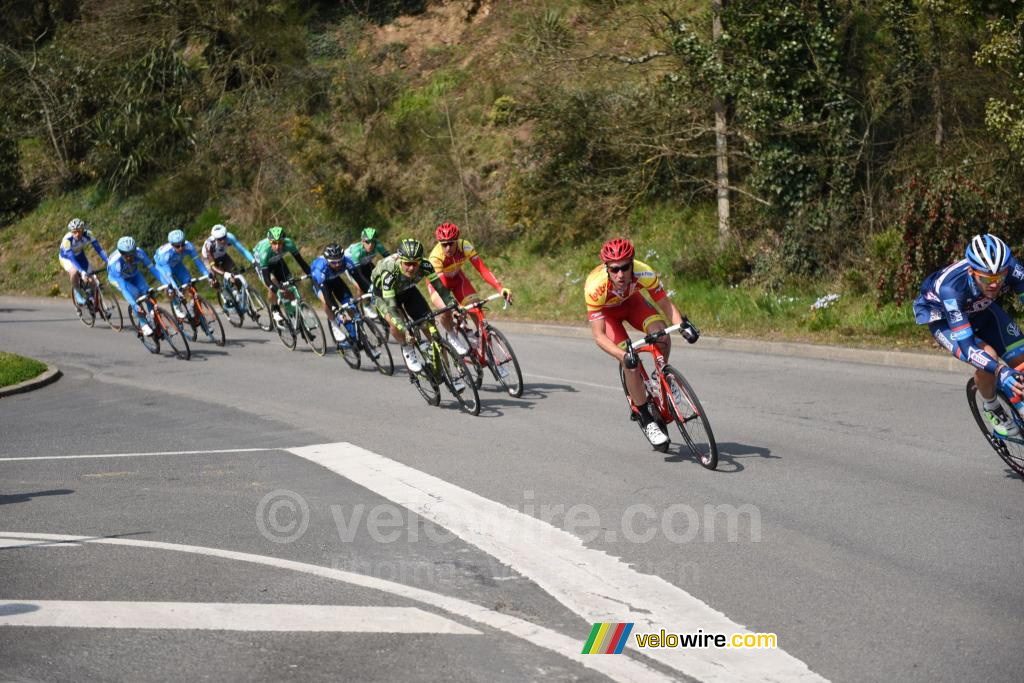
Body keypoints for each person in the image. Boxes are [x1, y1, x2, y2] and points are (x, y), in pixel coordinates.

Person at [913, 233, 1024, 437]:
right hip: (944, 319)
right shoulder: (951, 289)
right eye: (987, 279)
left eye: (999, 277)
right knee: (988, 357)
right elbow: (968, 347)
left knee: (1021, 358)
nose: (995, 284)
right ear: (972, 271)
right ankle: (992, 407)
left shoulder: (1010, 268)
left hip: (981, 309)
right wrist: (1000, 370)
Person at [585, 238, 686, 447]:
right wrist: (623, 356)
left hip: (632, 304)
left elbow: (666, 305)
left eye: (625, 268)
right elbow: (599, 336)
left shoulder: (644, 272)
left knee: (662, 335)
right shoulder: (595, 287)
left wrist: (683, 326)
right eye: (614, 269)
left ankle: (662, 379)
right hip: (608, 314)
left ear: (632, 263)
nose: (620, 275)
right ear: (607, 268)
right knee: (630, 363)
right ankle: (645, 417)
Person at [371, 238, 459, 373]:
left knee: (430, 327)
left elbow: (441, 289)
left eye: (415, 264)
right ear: (400, 260)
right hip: (384, 296)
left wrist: (453, 304)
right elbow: (392, 308)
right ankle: (407, 349)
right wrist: (404, 330)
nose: (412, 268)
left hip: (408, 289)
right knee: (395, 324)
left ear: (420, 261)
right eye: (407, 264)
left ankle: (448, 373)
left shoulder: (425, 265)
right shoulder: (389, 272)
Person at [427, 222, 511, 339]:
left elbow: (483, 270)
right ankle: (452, 337)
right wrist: (454, 307)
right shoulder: (435, 257)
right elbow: (442, 288)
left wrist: (500, 288)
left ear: (457, 240)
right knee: (446, 311)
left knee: (475, 305)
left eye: (451, 243)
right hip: (438, 285)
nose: (448, 248)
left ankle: (483, 338)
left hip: (457, 278)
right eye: (444, 244)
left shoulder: (464, 246)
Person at [252, 226, 313, 325]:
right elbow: (267, 279)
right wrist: (276, 289)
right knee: (272, 285)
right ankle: (275, 308)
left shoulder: (289, 244)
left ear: (284, 241)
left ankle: (294, 313)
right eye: (274, 243)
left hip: (277, 260)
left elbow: (301, 262)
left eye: (280, 243)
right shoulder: (264, 251)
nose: (277, 246)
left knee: (289, 286)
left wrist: (311, 274)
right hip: (262, 263)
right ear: (270, 242)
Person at [107, 236, 162, 337]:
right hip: (119, 279)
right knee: (136, 295)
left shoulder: (139, 253)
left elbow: (152, 269)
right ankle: (143, 324)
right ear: (121, 253)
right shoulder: (116, 264)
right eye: (126, 255)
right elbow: (123, 288)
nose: (129, 257)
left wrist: (166, 283)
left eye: (132, 254)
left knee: (148, 292)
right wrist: (134, 305)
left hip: (134, 274)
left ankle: (152, 317)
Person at [154, 229, 211, 319]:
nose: (181, 248)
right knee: (171, 289)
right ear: (172, 245)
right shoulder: (165, 253)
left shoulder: (189, 246)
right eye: (177, 246)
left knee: (190, 283)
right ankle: (176, 305)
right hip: (163, 268)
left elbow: (198, 262)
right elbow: (168, 275)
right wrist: (176, 289)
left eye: (182, 244)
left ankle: (192, 305)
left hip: (177, 265)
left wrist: (208, 275)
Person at [311, 243, 357, 345]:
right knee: (328, 303)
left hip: (335, 280)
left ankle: (356, 333)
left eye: (339, 261)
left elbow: (359, 278)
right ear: (327, 261)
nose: (338, 264)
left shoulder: (346, 260)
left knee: (351, 306)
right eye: (334, 263)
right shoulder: (320, 267)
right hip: (321, 285)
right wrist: (335, 309)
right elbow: (326, 294)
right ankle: (334, 326)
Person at [58, 218, 109, 306]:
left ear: (83, 230)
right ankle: (77, 292)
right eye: (74, 232)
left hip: (80, 256)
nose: (77, 234)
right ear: (71, 232)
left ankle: (96, 302)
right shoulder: (67, 240)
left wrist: (108, 261)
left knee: (92, 279)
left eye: (79, 231)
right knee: (74, 272)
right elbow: (71, 258)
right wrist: (81, 271)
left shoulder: (88, 234)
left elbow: (99, 249)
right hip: (67, 258)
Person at [201, 224, 255, 295]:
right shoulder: (209, 244)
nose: (223, 241)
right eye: (220, 239)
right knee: (213, 280)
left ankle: (239, 296)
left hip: (222, 255)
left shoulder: (230, 237)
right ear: (215, 238)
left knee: (235, 273)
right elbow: (213, 266)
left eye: (224, 237)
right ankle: (223, 294)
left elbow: (242, 250)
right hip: (208, 259)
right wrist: (224, 274)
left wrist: (253, 261)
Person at [343, 227, 390, 297]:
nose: (370, 245)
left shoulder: (378, 245)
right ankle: (363, 304)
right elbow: (359, 273)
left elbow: (389, 258)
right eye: (367, 241)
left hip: (365, 262)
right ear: (362, 241)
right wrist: (369, 286)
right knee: (361, 287)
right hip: (352, 265)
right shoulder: (357, 251)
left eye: (373, 241)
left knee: (378, 280)